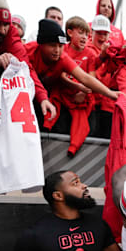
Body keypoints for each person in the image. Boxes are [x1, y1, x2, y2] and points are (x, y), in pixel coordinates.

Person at [25, 18, 121, 128]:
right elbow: (33, 79)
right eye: (52, 45)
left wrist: (110, 94)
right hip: (31, 95)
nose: (57, 50)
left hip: (47, 97)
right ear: (41, 44)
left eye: (60, 46)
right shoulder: (27, 53)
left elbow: (85, 78)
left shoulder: (62, 57)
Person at [44, 16, 96, 156]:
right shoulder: (62, 49)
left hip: (80, 99)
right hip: (63, 95)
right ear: (70, 32)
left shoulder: (90, 54)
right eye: (81, 32)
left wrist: (83, 93)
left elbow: (92, 77)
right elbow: (60, 76)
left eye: (87, 34)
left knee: (82, 125)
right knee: (58, 124)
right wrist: (79, 88)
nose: (85, 37)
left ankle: (73, 149)